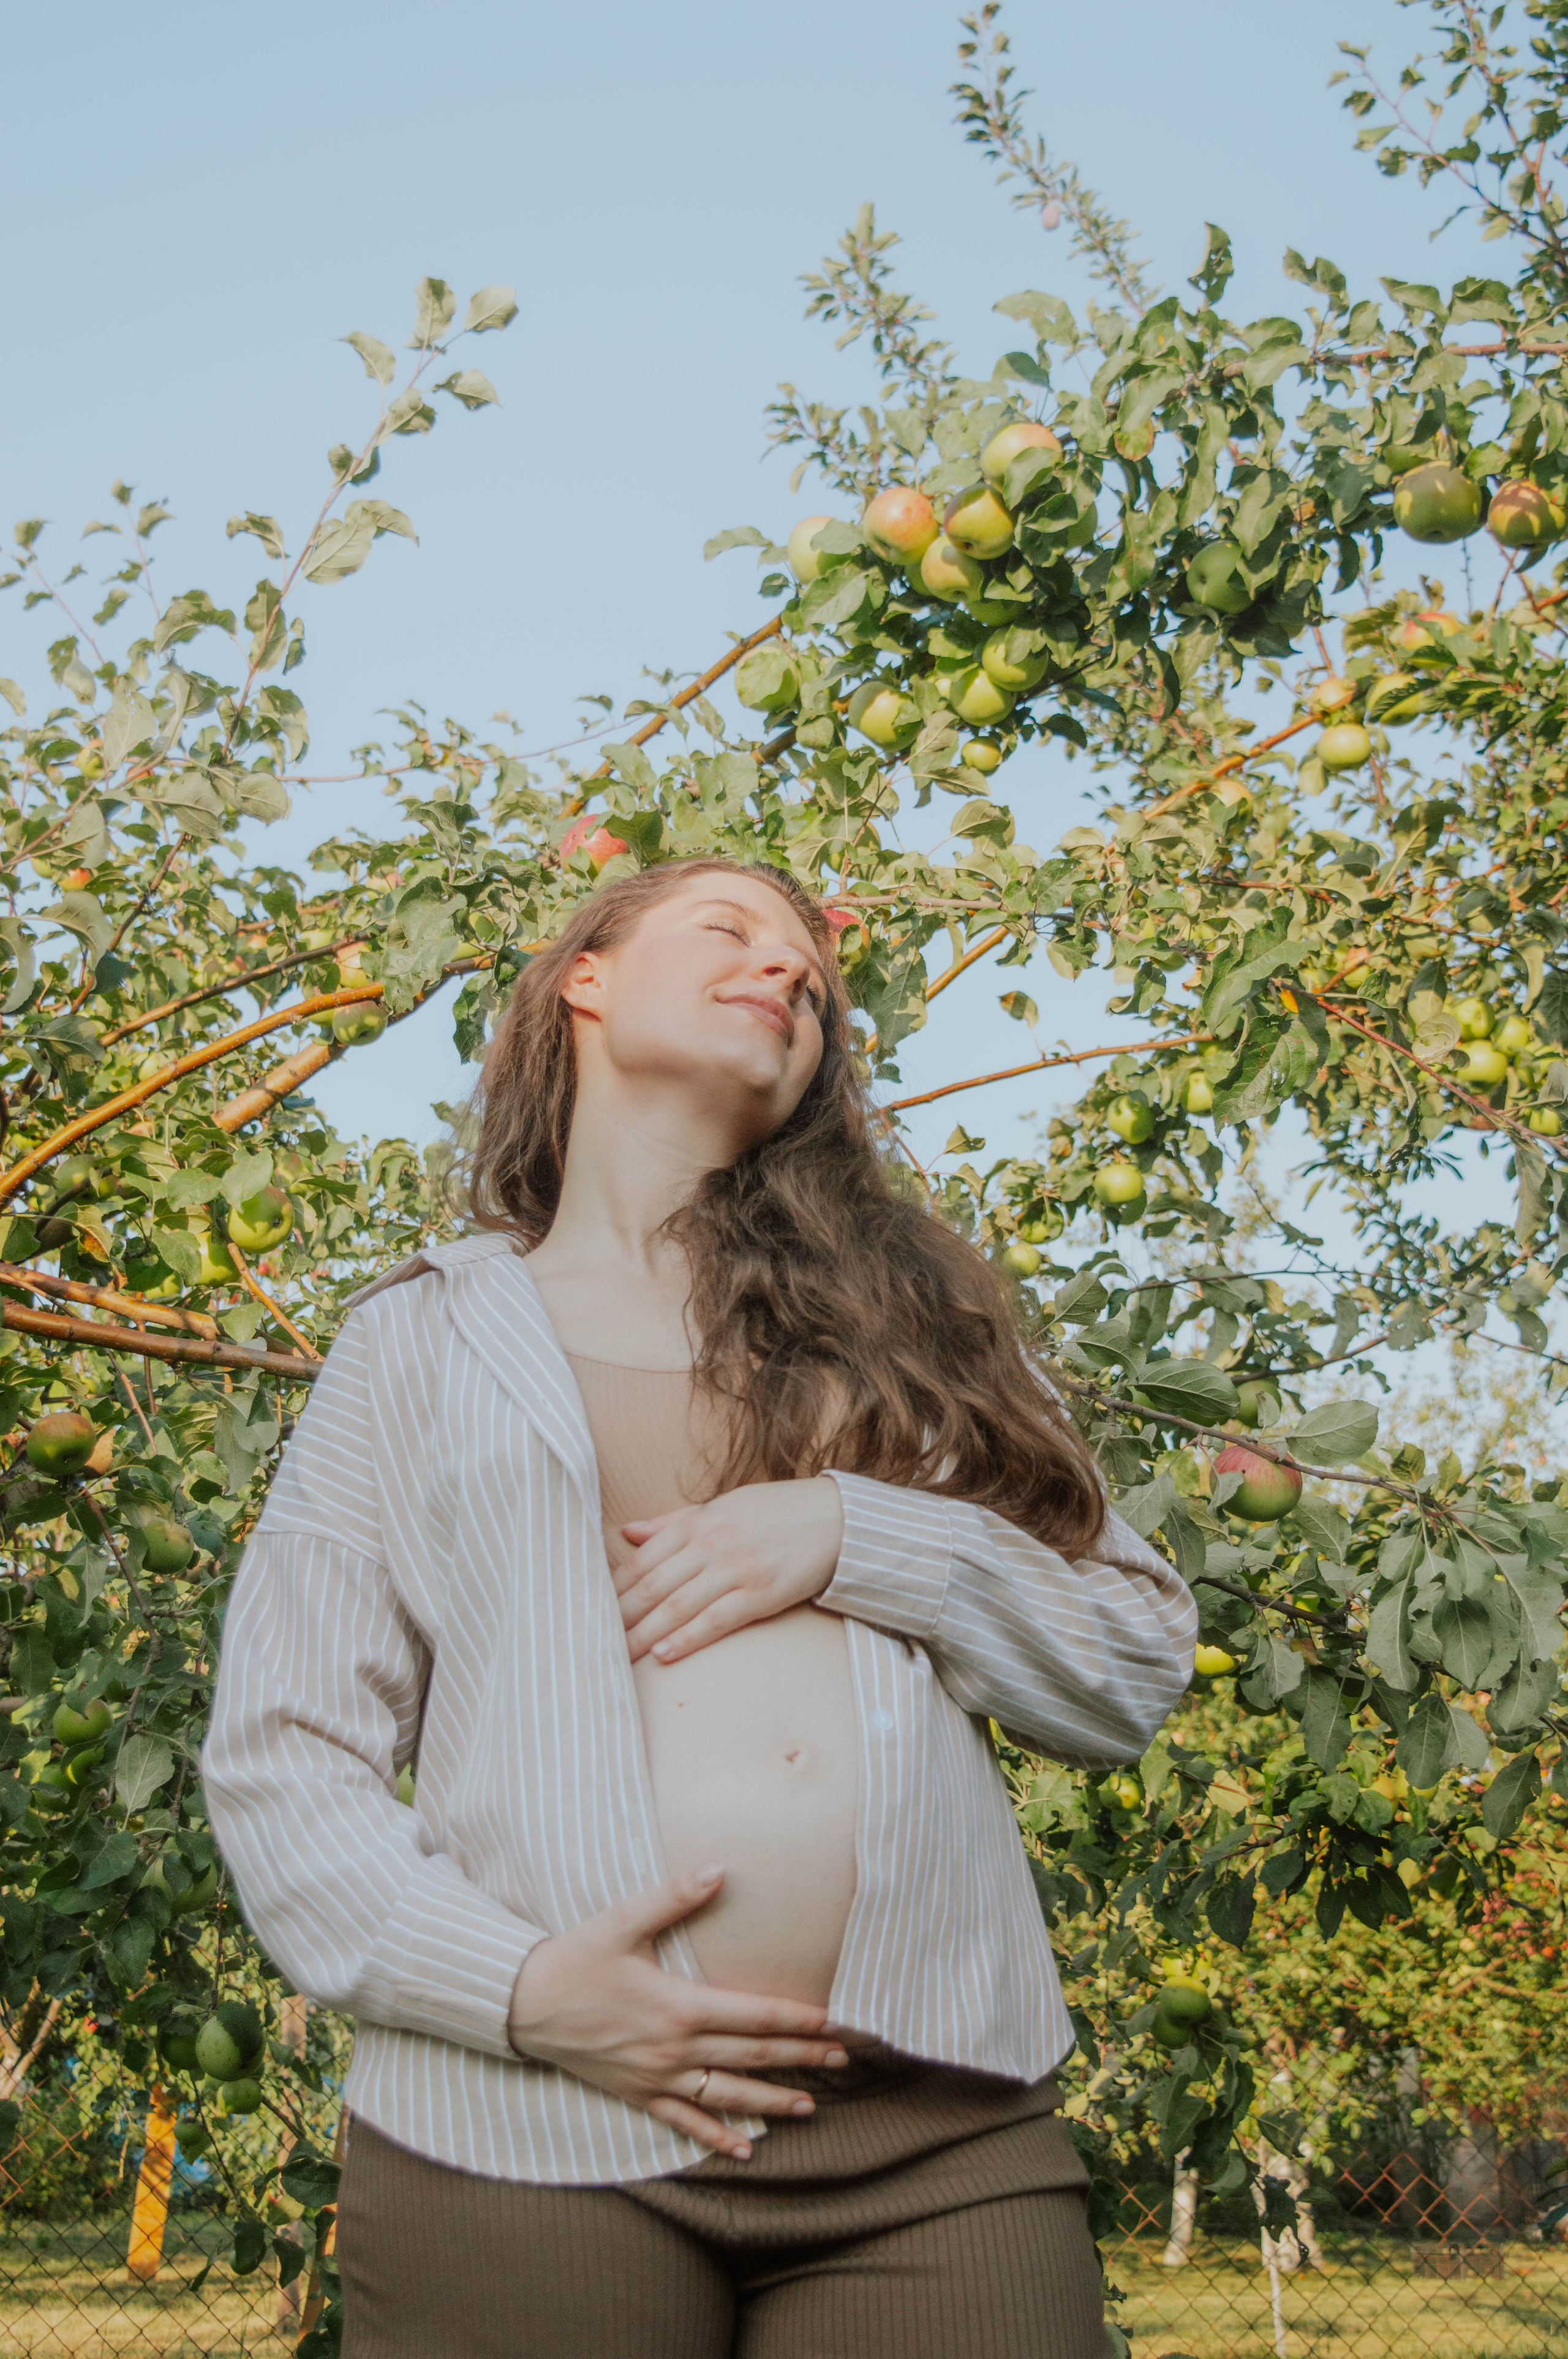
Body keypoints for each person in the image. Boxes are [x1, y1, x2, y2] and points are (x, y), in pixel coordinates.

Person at [203, 855, 1196, 2358]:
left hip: (931, 2148)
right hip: (521, 2124)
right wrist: (524, 1992)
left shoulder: (909, 1327)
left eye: (810, 969)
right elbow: (283, 1752)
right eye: (728, 931)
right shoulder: (421, 1341)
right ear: (581, 980)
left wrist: (863, 1534)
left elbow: (1127, 1661)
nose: (789, 972)